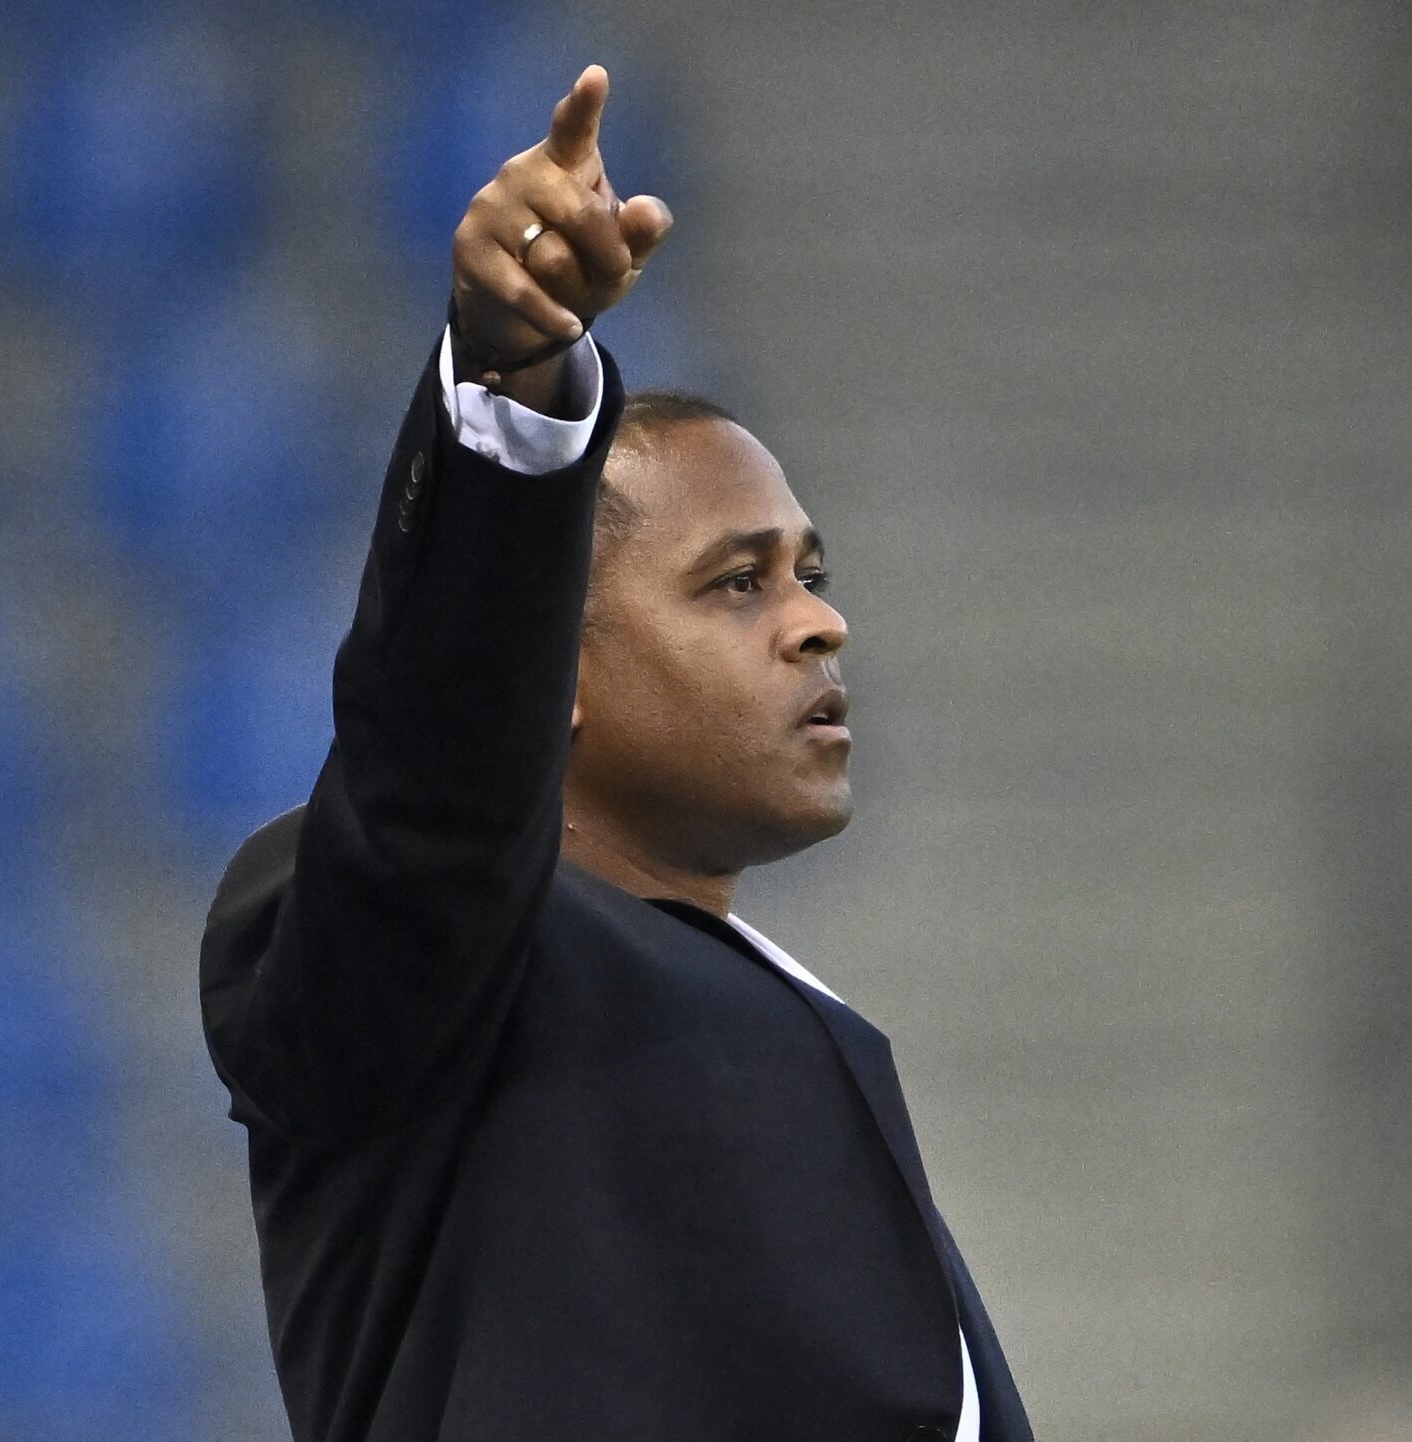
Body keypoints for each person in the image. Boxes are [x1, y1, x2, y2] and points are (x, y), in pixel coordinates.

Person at [197, 65, 1029, 1441]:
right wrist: (515, 399)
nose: (822, 621)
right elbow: (430, 791)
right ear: (553, 672)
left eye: (810, 571)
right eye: (737, 582)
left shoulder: (814, 1031)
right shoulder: (400, 958)